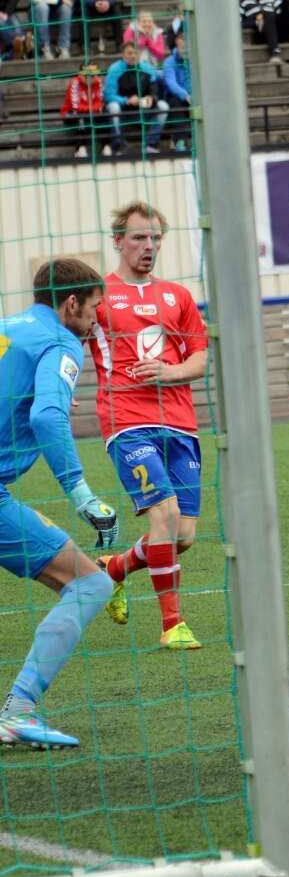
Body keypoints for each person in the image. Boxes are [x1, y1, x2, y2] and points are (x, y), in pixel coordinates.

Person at [0, 259, 121, 749]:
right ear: (72, 303)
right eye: (93, 307)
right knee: (90, 583)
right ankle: (19, 711)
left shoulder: (9, 328)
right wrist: (83, 494)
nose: (95, 319)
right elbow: (48, 418)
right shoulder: (60, 341)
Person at [88, 203, 206, 649]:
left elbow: (199, 358)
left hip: (180, 423)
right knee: (165, 516)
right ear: (118, 241)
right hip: (126, 420)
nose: (149, 246)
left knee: (183, 536)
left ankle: (113, 569)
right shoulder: (99, 295)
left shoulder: (178, 296)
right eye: (139, 237)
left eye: (155, 238)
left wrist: (170, 372)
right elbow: (65, 337)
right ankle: (173, 624)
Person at [102, 40, 167, 155]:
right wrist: (126, 100)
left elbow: (154, 91)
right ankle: (118, 145)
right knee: (113, 107)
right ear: (123, 55)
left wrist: (151, 98)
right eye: (129, 53)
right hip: (123, 109)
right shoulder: (114, 69)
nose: (133, 56)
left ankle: (151, 144)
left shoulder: (147, 68)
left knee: (163, 106)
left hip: (143, 107)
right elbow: (108, 95)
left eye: (135, 52)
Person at [57, 60, 106, 156]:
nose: (90, 78)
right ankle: (80, 148)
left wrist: (93, 109)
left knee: (105, 115)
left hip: (91, 114)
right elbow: (75, 106)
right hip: (71, 114)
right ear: (80, 74)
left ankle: (106, 146)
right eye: (86, 76)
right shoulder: (74, 82)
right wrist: (93, 109)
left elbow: (100, 102)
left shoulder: (98, 81)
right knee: (81, 117)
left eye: (92, 75)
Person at [240, 0, 284, 64]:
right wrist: (255, 22)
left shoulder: (271, 0)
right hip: (259, 33)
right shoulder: (244, 3)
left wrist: (265, 16)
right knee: (266, 16)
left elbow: (279, 16)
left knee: (272, 12)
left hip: (277, 30)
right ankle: (274, 53)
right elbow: (240, 23)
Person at [158, 30, 192, 149]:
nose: (185, 42)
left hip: (194, 95)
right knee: (176, 103)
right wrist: (185, 95)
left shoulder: (196, 59)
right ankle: (180, 142)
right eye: (182, 38)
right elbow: (171, 83)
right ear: (177, 42)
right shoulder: (169, 62)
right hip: (177, 97)